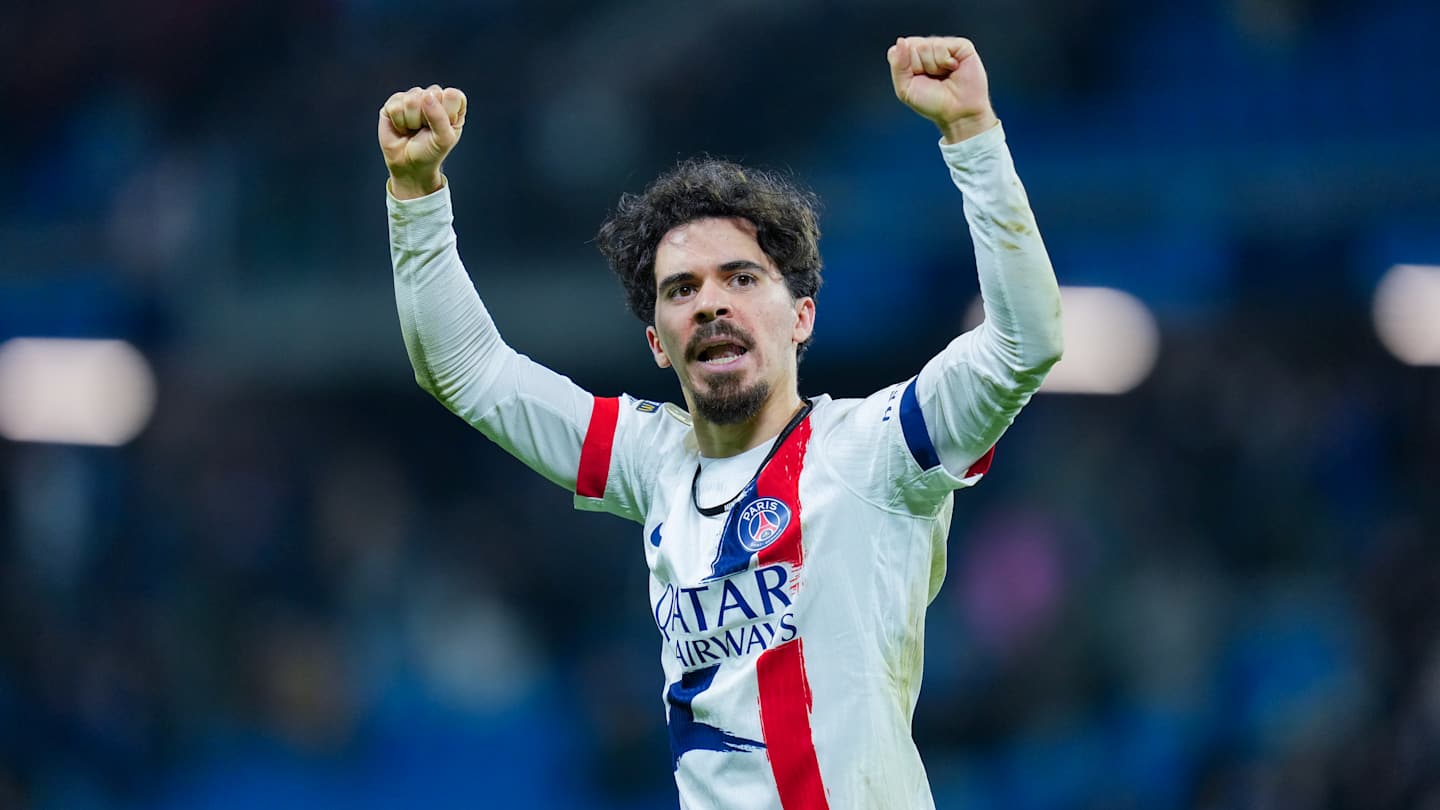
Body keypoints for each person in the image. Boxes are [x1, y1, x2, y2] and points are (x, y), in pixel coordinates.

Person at [378, 35, 1063, 810]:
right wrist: (416, 194)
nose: (709, 303)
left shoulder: (878, 450)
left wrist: (972, 134)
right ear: (657, 343)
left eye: (740, 278)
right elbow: (464, 369)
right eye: (682, 290)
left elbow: (1025, 344)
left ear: (801, 317)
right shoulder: (653, 463)